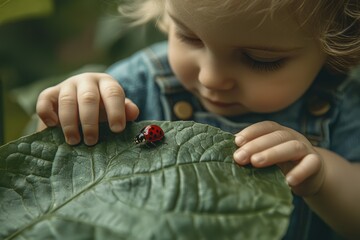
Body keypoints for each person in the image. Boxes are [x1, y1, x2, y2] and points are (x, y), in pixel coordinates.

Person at [36, 0, 360, 239]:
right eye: (189, 37)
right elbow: (59, 179)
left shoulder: (340, 106)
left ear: (339, 47)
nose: (211, 78)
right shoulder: (136, 86)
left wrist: (323, 177)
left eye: (260, 60)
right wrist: (73, 112)